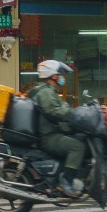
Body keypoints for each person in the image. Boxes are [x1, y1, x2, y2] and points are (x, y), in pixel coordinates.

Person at [30, 59, 87, 196]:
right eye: (61, 75)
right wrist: (74, 113)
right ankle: (66, 182)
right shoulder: (45, 93)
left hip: (54, 133)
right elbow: (54, 112)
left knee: (81, 138)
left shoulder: (51, 92)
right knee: (77, 147)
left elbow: (61, 109)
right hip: (49, 136)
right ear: (54, 76)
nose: (63, 78)